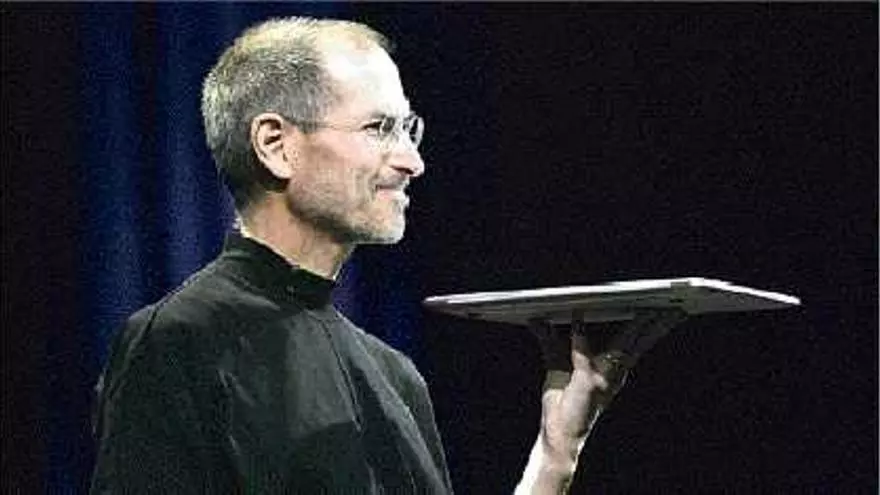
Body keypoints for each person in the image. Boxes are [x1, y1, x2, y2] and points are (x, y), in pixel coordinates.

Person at [90, 16, 685, 494]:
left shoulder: (395, 377)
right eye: (379, 129)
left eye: (409, 130)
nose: (412, 161)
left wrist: (555, 455)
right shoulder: (178, 343)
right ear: (276, 145)